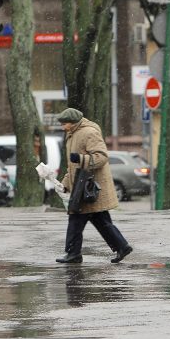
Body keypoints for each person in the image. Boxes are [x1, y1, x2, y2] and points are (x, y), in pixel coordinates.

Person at [56, 108, 132, 264]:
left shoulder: (88, 132)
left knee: (76, 219)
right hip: (83, 187)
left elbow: (101, 157)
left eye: (65, 124)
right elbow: (72, 166)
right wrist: (65, 184)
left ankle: (73, 253)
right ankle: (121, 246)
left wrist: (81, 159)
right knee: (101, 221)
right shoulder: (72, 135)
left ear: (73, 122)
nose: (63, 127)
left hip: (89, 187)